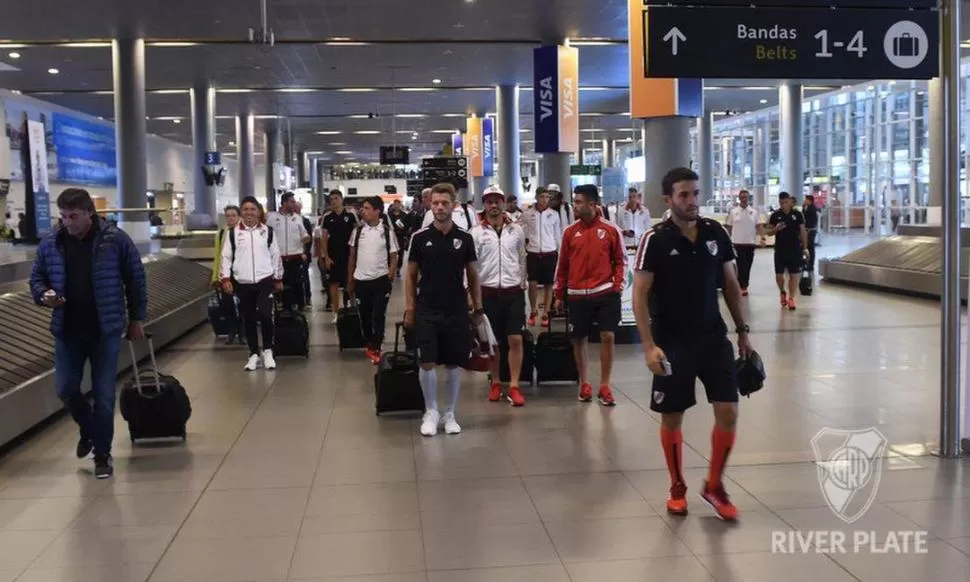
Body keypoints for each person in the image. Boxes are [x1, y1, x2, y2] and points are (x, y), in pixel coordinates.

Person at [631, 166, 752, 522]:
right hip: (672, 342)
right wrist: (648, 345)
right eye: (684, 195)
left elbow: (730, 284)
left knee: (728, 410)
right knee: (673, 415)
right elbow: (639, 294)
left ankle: (714, 485)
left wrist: (743, 331)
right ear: (667, 199)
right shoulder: (655, 239)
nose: (692, 201)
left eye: (696, 193)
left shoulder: (715, 232)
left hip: (714, 337)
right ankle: (677, 485)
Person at [29, 188, 148, 479]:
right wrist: (44, 294)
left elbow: (135, 278)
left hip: (105, 329)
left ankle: (103, 455)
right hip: (67, 330)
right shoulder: (52, 244)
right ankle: (88, 428)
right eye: (64, 216)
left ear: (89, 213)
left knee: (104, 394)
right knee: (66, 389)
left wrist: (137, 319)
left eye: (74, 216)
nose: (68, 223)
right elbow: (37, 277)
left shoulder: (114, 240)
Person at [405, 182, 483, 437]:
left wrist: (477, 306)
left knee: (452, 363)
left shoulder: (465, 238)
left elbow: (473, 275)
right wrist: (410, 308)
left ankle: (450, 413)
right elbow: (410, 276)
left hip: (456, 308)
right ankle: (431, 411)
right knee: (427, 362)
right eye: (435, 203)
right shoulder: (419, 238)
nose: (439, 207)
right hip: (427, 308)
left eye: (444, 203)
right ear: (430, 204)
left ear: (453, 205)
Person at [551, 184, 624, 407]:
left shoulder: (611, 230)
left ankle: (605, 384)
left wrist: (617, 284)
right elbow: (562, 264)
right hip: (577, 294)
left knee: (608, 336)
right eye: (575, 202)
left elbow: (620, 260)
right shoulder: (570, 232)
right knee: (579, 338)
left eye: (579, 202)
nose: (575, 206)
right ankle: (584, 383)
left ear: (592, 204)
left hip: (605, 292)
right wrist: (559, 293)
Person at [471, 186, 528, 406]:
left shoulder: (516, 230)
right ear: (484, 205)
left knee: (515, 338)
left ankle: (513, 385)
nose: (493, 205)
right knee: (492, 343)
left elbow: (522, 257)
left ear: (503, 203)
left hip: (513, 291)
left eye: (497, 201)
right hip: (488, 291)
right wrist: (471, 294)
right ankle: (495, 381)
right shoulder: (476, 233)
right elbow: (471, 266)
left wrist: (522, 282)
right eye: (489, 202)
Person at [219, 196, 284, 371]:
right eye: (245, 209)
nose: (249, 212)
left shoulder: (268, 231)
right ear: (241, 212)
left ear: (258, 211)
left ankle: (268, 350)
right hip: (243, 282)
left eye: (252, 209)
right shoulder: (233, 233)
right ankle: (253, 353)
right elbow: (226, 258)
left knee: (265, 314)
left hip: (265, 280)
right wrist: (225, 278)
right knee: (247, 318)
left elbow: (275, 255)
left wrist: (278, 278)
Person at [347, 196, 400, 365]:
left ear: (378, 211)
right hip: (361, 279)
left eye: (368, 208)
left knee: (378, 314)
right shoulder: (358, 231)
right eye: (363, 208)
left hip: (380, 279)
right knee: (365, 314)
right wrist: (350, 280)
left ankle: (377, 345)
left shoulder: (386, 231)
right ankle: (369, 340)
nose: (364, 211)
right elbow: (352, 257)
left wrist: (390, 275)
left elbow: (394, 255)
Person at [521, 186, 561, 327]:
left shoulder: (554, 214)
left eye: (547, 197)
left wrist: (559, 251)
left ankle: (545, 313)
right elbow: (521, 230)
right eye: (542, 197)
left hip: (550, 252)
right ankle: (533, 311)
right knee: (532, 283)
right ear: (537, 198)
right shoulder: (527, 213)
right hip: (533, 252)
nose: (545, 200)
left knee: (548, 284)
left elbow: (557, 235)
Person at [265, 192, 310, 309]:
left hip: (295, 257)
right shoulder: (272, 218)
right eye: (292, 201)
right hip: (279, 258)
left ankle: (299, 307)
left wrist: (305, 240)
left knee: (296, 283)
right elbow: (266, 235)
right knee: (281, 284)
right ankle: (283, 308)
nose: (294, 204)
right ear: (284, 203)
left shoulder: (297, 218)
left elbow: (304, 234)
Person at [320, 190, 358, 323]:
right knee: (333, 284)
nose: (334, 201)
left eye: (336, 198)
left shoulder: (351, 215)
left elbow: (356, 234)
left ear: (342, 199)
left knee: (351, 282)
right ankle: (336, 312)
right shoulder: (327, 217)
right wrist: (326, 257)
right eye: (331, 199)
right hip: (333, 256)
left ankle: (354, 309)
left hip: (349, 255)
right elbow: (323, 238)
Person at [767, 192, 809, 310]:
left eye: (785, 202)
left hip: (795, 249)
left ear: (790, 201)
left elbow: (803, 231)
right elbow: (768, 232)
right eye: (781, 203)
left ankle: (791, 298)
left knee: (794, 274)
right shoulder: (775, 215)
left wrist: (805, 248)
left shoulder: (798, 214)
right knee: (779, 275)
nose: (783, 205)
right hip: (780, 249)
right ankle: (782, 291)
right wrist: (776, 229)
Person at [211, 205, 243, 344]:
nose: (230, 218)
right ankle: (231, 332)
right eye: (228, 215)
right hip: (226, 275)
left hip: (242, 274)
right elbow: (218, 256)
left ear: (238, 217)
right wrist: (215, 277)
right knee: (228, 305)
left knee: (243, 305)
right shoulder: (221, 235)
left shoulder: (244, 233)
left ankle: (243, 333)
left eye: (233, 215)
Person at [724, 189, 765, 296]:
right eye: (742, 197)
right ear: (739, 198)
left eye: (745, 197)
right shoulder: (733, 212)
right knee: (741, 264)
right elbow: (728, 227)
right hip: (737, 243)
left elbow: (759, 225)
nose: (744, 199)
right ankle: (742, 286)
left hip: (750, 243)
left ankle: (743, 284)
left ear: (748, 198)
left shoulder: (754, 212)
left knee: (748, 265)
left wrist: (762, 237)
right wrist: (726, 240)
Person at [296, 201, 314, 308]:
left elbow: (309, 238)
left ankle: (307, 297)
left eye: (298, 209)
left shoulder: (305, 221)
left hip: (303, 253)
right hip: (294, 253)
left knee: (305, 276)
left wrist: (305, 252)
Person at [802, 194, 820, 272]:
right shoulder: (807, 207)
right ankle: (807, 263)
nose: (804, 201)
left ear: (809, 200)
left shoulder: (812, 208)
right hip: (808, 230)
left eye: (805, 199)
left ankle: (810, 264)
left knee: (810, 247)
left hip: (810, 230)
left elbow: (808, 219)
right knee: (808, 247)